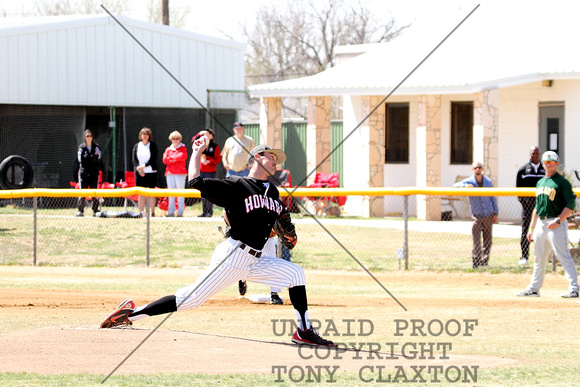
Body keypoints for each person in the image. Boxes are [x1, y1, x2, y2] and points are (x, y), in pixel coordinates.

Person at [100, 137, 334, 346]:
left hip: (255, 259)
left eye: (276, 158)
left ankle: (303, 331)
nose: (276, 162)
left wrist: (284, 234)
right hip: (232, 257)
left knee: (296, 274)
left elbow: (272, 227)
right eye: (271, 157)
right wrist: (196, 153)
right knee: (189, 300)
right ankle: (130, 315)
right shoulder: (236, 184)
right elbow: (195, 182)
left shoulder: (273, 193)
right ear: (257, 159)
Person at [517, 151, 578, 298]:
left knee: (563, 256)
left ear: (557, 164)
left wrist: (559, 220)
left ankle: (574, 288)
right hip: (541, 224)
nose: (547, 163)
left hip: (556, 223)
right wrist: (531, 228)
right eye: (545, 161)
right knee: (539, 258)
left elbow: (571, 204)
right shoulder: (540, 182)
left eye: (551, 162)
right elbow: (537, 208)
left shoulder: (562, 182)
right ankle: (534, 288)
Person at [454, 162, 499, 268]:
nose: (478, 169)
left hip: (488, 213)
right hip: (477, 215)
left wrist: (495, 213)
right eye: (476, 168)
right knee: (476, 240)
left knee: (488, 239)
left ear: (483, 169)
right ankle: (476, 261)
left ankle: (485, 261)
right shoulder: (469, 181)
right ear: (472, 169)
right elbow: (454, 186)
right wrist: (464, 186)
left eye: (480, 167)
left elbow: (493, 198)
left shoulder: (488, 182)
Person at [515, 146, 545, 265]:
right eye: (533, 153)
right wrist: (525, 203)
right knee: (525, 231)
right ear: (530, 154)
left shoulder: (545, 169)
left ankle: (543, 257)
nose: (535, 155)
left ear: (540, 154)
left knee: (543, 231)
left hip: (543, 207)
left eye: (537, 153)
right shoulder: (523, 170)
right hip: (528, 208)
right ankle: (524, 257)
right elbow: (518, 190)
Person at [194, 129, 221, 217]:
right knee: (202, 192)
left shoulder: (215, 146)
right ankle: (204, 211)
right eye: (205, 133)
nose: (207, 134)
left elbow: (218, 159)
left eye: (209, 133)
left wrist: (209, 161)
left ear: (212, 136)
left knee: (210, 191)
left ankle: (209, 211)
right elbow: (193, 141)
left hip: (210, 172)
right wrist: (200, 133)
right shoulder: (201, 144)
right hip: (201, 171)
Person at [132, 127, 158, 217]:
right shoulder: (137, 146)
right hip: (140, 173)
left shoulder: (152, 145)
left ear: (149, 136)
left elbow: (153, 158)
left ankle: (152, 212)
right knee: (141, 193)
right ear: (141, 135)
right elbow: (134, 159)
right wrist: (139, 170)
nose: (145, 136)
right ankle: (141, 212)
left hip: (151, 172)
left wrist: (144, 166)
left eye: (147, 134)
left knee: (151, 192)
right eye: (144, 134)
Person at [76, 129, 102, 217]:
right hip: (84, 174)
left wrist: (88, 157)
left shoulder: (96, 147)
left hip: (94, 174)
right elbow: (81, 160)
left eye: (90, 136)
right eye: (87, 136)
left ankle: (95, 210)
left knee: (94, 192)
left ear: (92, 137)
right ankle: (80, 211)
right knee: (82, 193)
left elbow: (98, 158)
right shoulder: (81, 148)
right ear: (84, 137)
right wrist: (92, 157)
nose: (89, 137)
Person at [162, 131, 188, 217]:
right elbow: (165, 160)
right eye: (174, 138)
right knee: (171, 193)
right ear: (171, 139)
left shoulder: (183, 147)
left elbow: (183, 156)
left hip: (180, 172)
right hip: (169, 173)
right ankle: (171, 212)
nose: (176, 140)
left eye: (177, 138)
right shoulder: (168, 149)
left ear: (180, 139)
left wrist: (171, 158)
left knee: (180, 192)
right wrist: (175, 158)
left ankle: (180, 212)